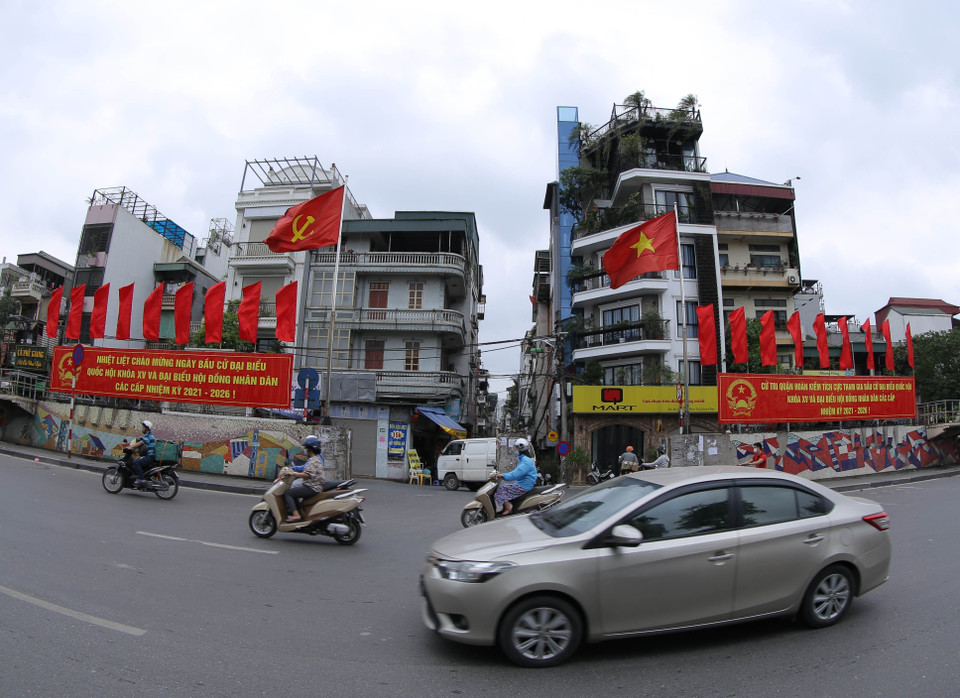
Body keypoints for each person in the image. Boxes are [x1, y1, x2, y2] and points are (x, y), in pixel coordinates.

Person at [284, 435, 326, 523]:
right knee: (294, 492)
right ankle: (300, 514)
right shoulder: (315, 459)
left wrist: (293, 473)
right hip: (313, 485)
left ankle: (295, 515)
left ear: (310, 449)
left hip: (311, 487)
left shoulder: (313, 460)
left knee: (288, 493)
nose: (305, 451)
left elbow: (307, 474)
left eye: (306, 449)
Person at [494, 438, 538, 516]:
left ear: (521, 448)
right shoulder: (523, 459)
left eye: (516, 447)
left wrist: (504, 475)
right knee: (503, 487)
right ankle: (505, 508)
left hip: (524, 486)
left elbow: (516, 474)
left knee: (501, 488)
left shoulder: (526, 461)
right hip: (522, 484)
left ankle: (508, 509)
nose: (515, 450)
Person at [128, 420, 156, 486]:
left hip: (150, 457)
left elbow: (140, 443)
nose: (142, 428)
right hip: (150, 456)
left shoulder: (149, 436)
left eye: (143, 427)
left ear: (146, 428)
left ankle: (141, 479)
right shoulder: (149, 435)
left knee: (136, 462)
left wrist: (130, 447)